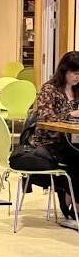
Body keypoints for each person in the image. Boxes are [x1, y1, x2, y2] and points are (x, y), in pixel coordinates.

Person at [30, 51, 79, 224]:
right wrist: (71, 113)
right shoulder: (49, 89)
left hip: (72, 140)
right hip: (50, 141)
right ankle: (73, 202)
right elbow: (45, 117)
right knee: (76, 158)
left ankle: (71, 198)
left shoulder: (77, 90)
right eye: (74, 72)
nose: (77, 77)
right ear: (64, 70)